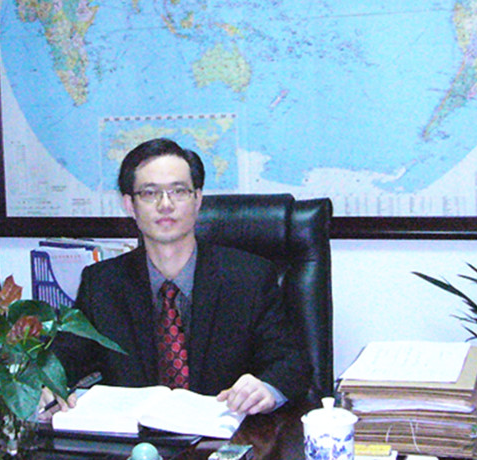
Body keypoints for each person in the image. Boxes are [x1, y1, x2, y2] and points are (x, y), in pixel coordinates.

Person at [44, 138, 309, 416]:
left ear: (198, 199)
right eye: (150, 193)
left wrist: (267, 388)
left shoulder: (249, 278)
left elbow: (292, 362)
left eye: (179, 191)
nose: (165, 204)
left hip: (225, 434)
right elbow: (66, 356)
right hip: (134, 438)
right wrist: (47, 384)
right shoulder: (102, 284)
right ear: (130, 205)